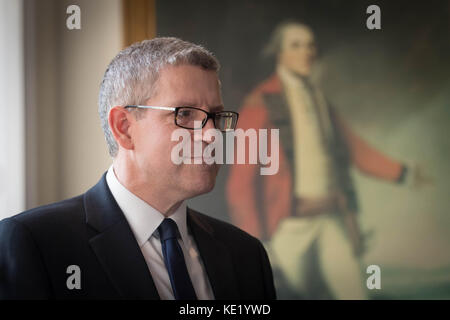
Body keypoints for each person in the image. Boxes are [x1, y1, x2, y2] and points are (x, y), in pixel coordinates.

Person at [0, 37, 276, 300]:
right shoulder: (35, 244)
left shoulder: (245, 254)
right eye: (185, 114)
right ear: (124, 128)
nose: (211, 135)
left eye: (215, 117)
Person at [226, 22, 428, 299]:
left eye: (311, 45)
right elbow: (241, 181)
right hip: (286, 229)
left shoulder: (319, 99)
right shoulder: (259, 103)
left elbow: (356, 150)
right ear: (279, 54)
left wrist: (405, 174)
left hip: (330, 219)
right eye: (296, 45)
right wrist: (255, 242)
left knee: (355, 295)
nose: (306, 52)